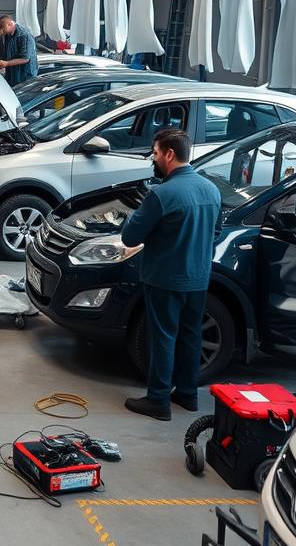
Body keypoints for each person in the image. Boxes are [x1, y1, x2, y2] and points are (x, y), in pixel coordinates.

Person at [120, 128, 222, 421]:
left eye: (154, 153)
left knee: (163, 337)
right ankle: (188, 395)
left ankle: (158, 400)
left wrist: (135, 214)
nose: (153, 159)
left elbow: (130, 237)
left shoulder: (161, 194)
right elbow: (215, 233)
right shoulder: (211, 190)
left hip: (164, 279)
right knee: (190, 336)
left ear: (169, 154)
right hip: (198, 279)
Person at [0, 15, 38, 87]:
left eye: (2, 29)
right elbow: (7, 52)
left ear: (10, 24)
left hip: (25, 76)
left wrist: (6, 63)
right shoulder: (7, 34)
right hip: (12, 75)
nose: (1, 32)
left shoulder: (24, 35)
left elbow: (25, 59)